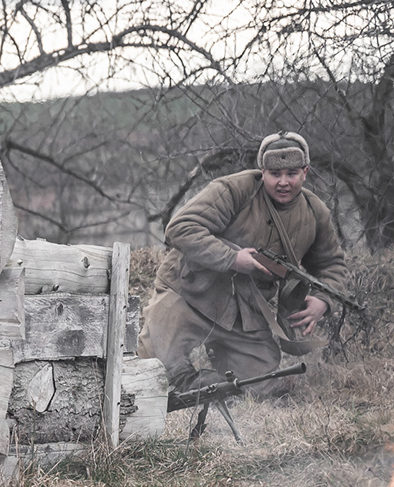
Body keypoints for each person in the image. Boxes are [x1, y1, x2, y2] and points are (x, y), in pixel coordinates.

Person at [138, 131, 350, 393]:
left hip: (244, 314)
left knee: (260, 385)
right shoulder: (234, 190)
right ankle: (186, 379)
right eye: (275, 174)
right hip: (190, 295)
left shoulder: (314, 212)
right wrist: (232, 258)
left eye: (292, 173)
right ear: (263, 172)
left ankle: (214, 375)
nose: (283, 182)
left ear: (305, 172)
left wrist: (323, 301)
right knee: (152, 369)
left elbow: (332, 265)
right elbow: (181, 228)